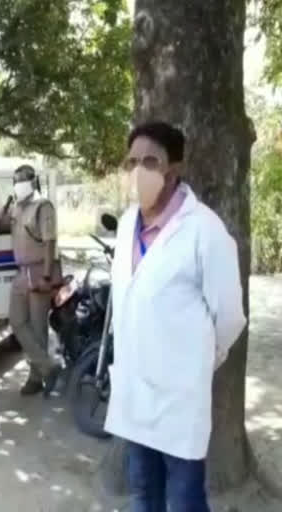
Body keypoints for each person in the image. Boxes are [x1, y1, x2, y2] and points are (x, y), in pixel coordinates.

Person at [105, 122, 245, 512]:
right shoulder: (128, 224)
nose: (139, 171)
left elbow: (230, 317)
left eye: (150, 161)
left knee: (184, 500)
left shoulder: (205, 231)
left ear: (175, 168)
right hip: (135, 397)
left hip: (179, 402)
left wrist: (197, 363)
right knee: (142, 495)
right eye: (132, 161)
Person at [3, 165, 62, 396]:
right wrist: (6, 204)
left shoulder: (43, 206)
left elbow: (50, 242)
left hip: (39, 270)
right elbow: (0, 223)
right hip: (21, 272)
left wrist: (47, 277)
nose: (18, 183)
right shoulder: (17, 206)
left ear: (32, 181)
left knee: (38, 327)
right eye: (15, 179)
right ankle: (48, 368)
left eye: (22, 179)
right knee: (17, 321)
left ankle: (35, 378)